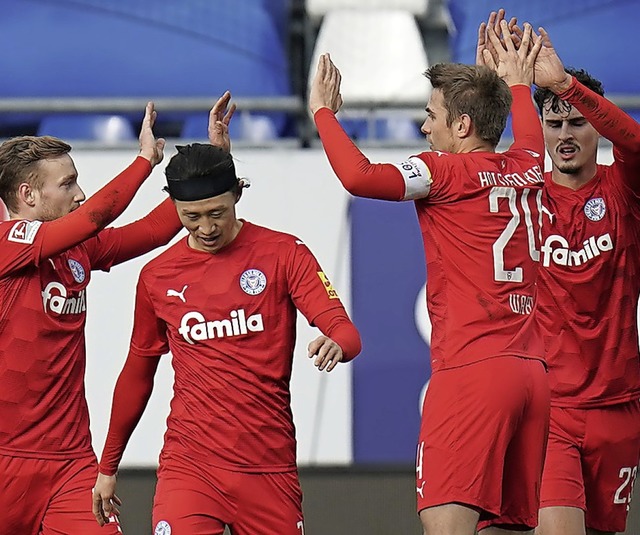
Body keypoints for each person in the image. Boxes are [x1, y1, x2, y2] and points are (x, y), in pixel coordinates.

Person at [309, 14, 550, 535]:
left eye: (431, 114)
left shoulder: (443, 172)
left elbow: (359, 177)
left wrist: (323, 114)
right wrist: (516, 85)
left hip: (471, 373)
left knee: (447, 526)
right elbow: (529, 132)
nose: (424, 126)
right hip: (532, 374)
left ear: (461, 126)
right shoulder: (530, 164)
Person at [91, 99, 362, 534]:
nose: (206, 227)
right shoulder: (157, 276)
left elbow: (344, 329)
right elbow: (138, 372)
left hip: (267, 468)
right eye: (190, 217)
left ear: (238, 193)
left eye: (217, 212)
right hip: (189, 466)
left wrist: (336, 342)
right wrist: (108, 465)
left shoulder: (283, 252)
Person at [0, 102, 182, 534]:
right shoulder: (7, 245)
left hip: (71, 463)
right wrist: (142, 163)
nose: (80, 193)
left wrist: (208, 174)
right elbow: (93, 216)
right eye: (68, 184)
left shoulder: (75, 250)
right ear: (28, 196)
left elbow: (151, 232)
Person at [527, 29, 640, 535]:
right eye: (554, 124)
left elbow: (634, 142)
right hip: (553, 407)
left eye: (577, 121)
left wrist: (569, 88)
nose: (565, 134)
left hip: (619, 405)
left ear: (596, 125)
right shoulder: (525, 197)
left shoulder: (623, 190)